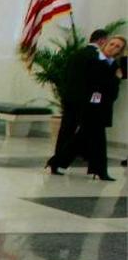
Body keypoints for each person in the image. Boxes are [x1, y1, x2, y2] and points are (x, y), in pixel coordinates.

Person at [46, 29, 106, 175]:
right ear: (102, 40)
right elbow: (96, 83)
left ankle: (57, 161)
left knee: (66, 130)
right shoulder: (98, 56)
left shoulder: (76, 54)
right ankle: (60, 160)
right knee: (87, 133)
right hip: (86, 101)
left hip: (70, 98)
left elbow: (67, 75)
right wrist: (96, 102)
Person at [75, 35, 125, 180]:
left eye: (118, 47)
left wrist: (117, 78)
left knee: (80, 139)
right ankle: (100, 171)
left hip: (104, 106)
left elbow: (116, 84)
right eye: (112, 44)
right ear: (106, 44)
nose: (113, 47)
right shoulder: (94, 60)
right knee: (98, 142)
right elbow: (93, 83)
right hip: (91, 106)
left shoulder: (114, 65)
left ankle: (55, 162)